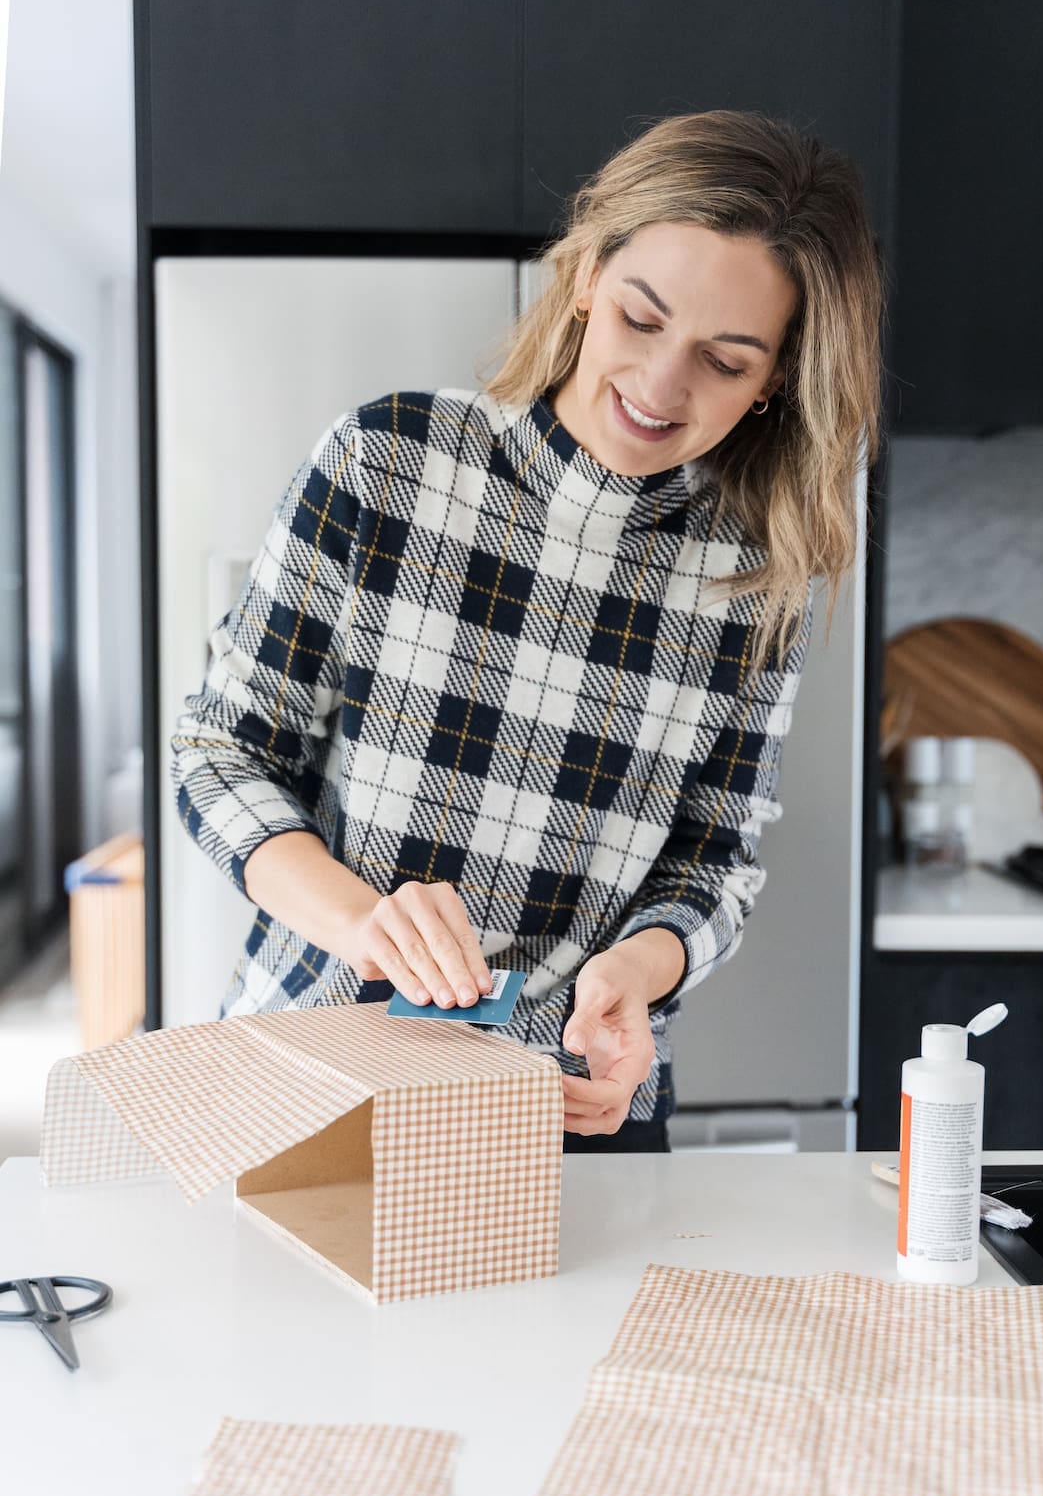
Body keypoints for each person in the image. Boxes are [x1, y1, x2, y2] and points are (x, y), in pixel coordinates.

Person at [171, 108, 883, 1154]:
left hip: (569, 1108)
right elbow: (220, 752)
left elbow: (713, 862)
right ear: (588, 274)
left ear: (775, 377)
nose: (660, 386)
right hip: (313, 1076)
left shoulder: (754, 577)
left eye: (724, 361)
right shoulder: (390, 464)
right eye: (641, 319)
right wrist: (360, 922)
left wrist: (634, 976)